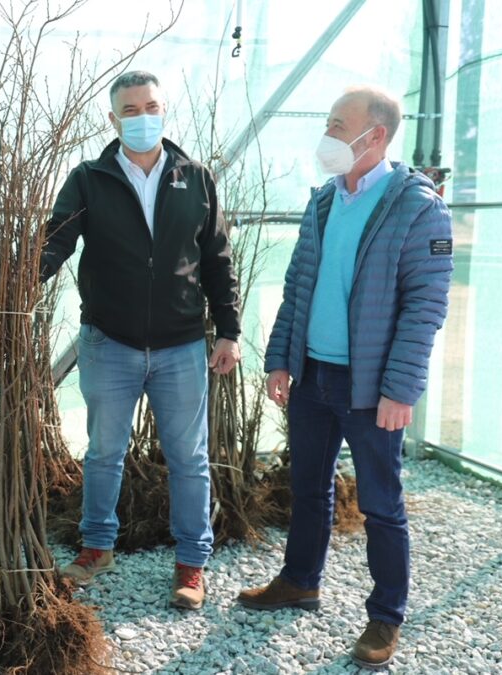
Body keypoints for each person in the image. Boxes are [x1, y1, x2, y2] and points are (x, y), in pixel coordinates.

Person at [236, 86, 454, 670]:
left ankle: (385, 618)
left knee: (382, 504)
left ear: (374, 136)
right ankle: (300, 580)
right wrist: (281, 358)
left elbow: (425, 307)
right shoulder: (325, 200)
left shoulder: (417, 206)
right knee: (308, 487)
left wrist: (400, 390)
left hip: (371, 387)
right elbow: (298, 285)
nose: (327, 134)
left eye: (338, 124)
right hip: (313, 376)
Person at [39, 71, 242, 610]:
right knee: (105, 451)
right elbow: (56, 242)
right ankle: (96, 548)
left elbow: (217, 257)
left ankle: (192, 561)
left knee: (188, 457)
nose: (142, 117)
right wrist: (19, 274)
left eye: (150, 106)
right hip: (110, 340)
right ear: (113, 119)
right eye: (130, 110)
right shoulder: (89, 177)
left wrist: (229, 330)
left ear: (164, 110)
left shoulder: (194, 177)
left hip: (180, 344)